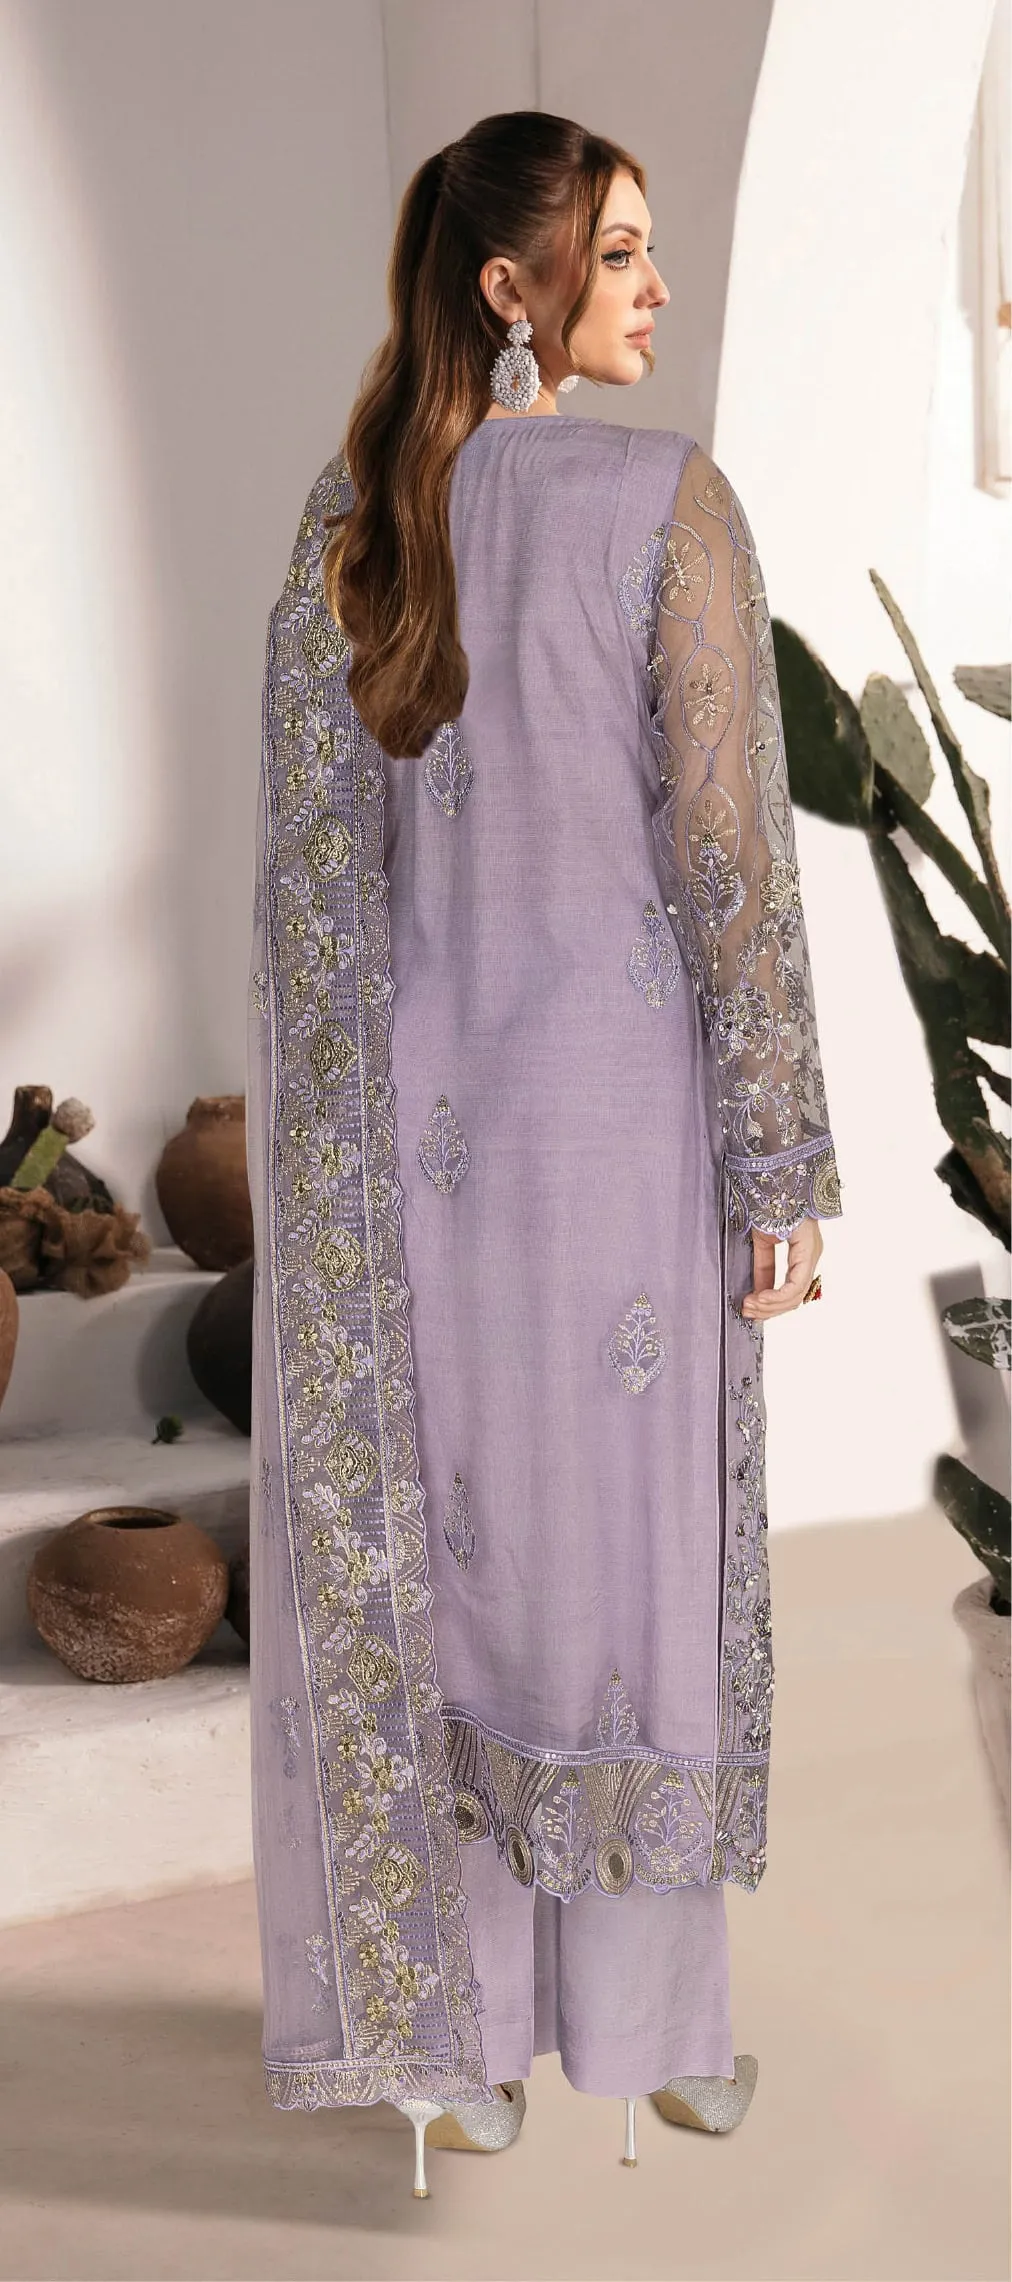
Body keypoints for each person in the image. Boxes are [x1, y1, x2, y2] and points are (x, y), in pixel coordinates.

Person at [245, 109, 842, 2200]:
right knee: (632, 1583)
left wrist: (325, 1206)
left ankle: (465, 2048)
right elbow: (729, 862)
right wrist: (780, 1160)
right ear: (512, 287)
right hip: (621, 1151)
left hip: (418, 1169)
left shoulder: (354, 516)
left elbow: (319, 900)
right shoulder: (666, 501)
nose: (655, 289)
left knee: (457, 1582)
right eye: (621, 251)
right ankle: (657, 2038)